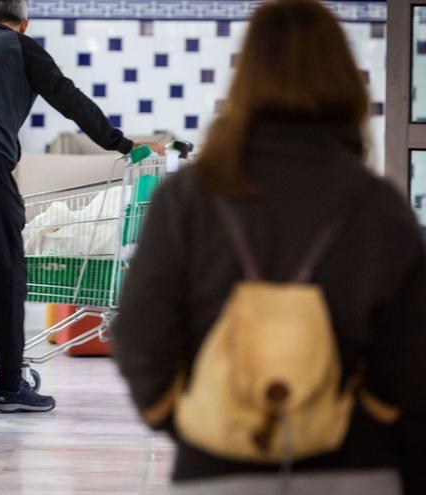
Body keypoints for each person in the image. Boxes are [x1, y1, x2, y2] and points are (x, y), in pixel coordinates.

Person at [110, 0, 426, 493]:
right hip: (355, 465)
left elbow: (139, 332)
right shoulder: (378, 205)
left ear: (246, 78)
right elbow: (413, 352)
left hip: (216, 470)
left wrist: (186, 421)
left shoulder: (189, 198)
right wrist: (373, 417)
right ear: (345, 82)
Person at [0, 0, 163, 412]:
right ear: (24, 22)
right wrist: (121, 143)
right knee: (10, 272)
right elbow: (70, 98)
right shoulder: (19, 45)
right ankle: (11, 386)